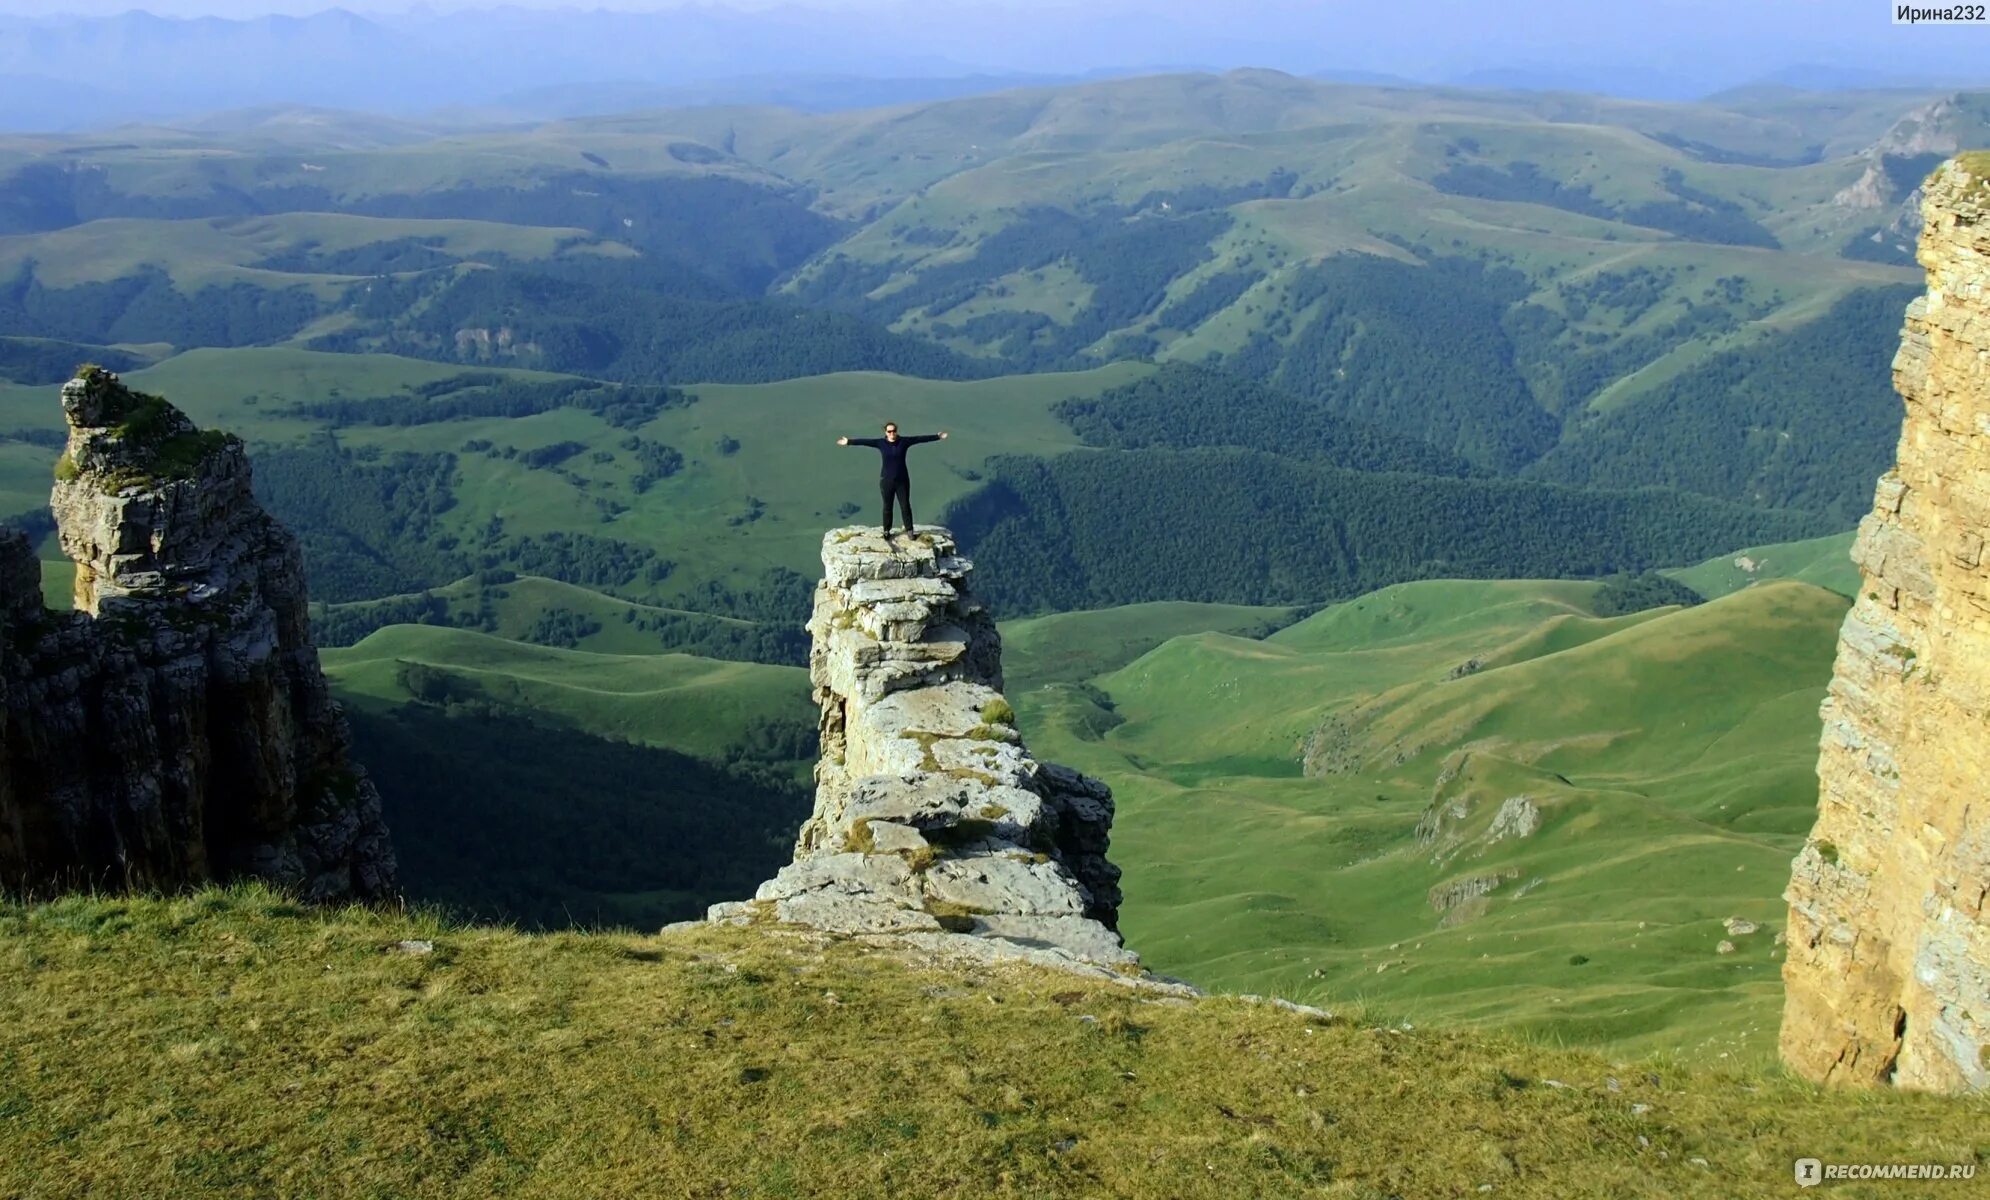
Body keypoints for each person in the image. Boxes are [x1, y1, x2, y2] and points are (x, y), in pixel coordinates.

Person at [836, 421, 949, 538]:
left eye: (894, 431)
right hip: (886, 480)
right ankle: (886, 531)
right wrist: (849, 442)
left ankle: (909, 530)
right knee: (887, 506)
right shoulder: (880, 443)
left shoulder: (904, 442)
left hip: (902, 480)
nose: (892, 433)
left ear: (896, 431)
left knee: (905, 505)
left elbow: (919, 439)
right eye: (889, 431)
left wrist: (937, 437)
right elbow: (865, 442)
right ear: (886, 432)